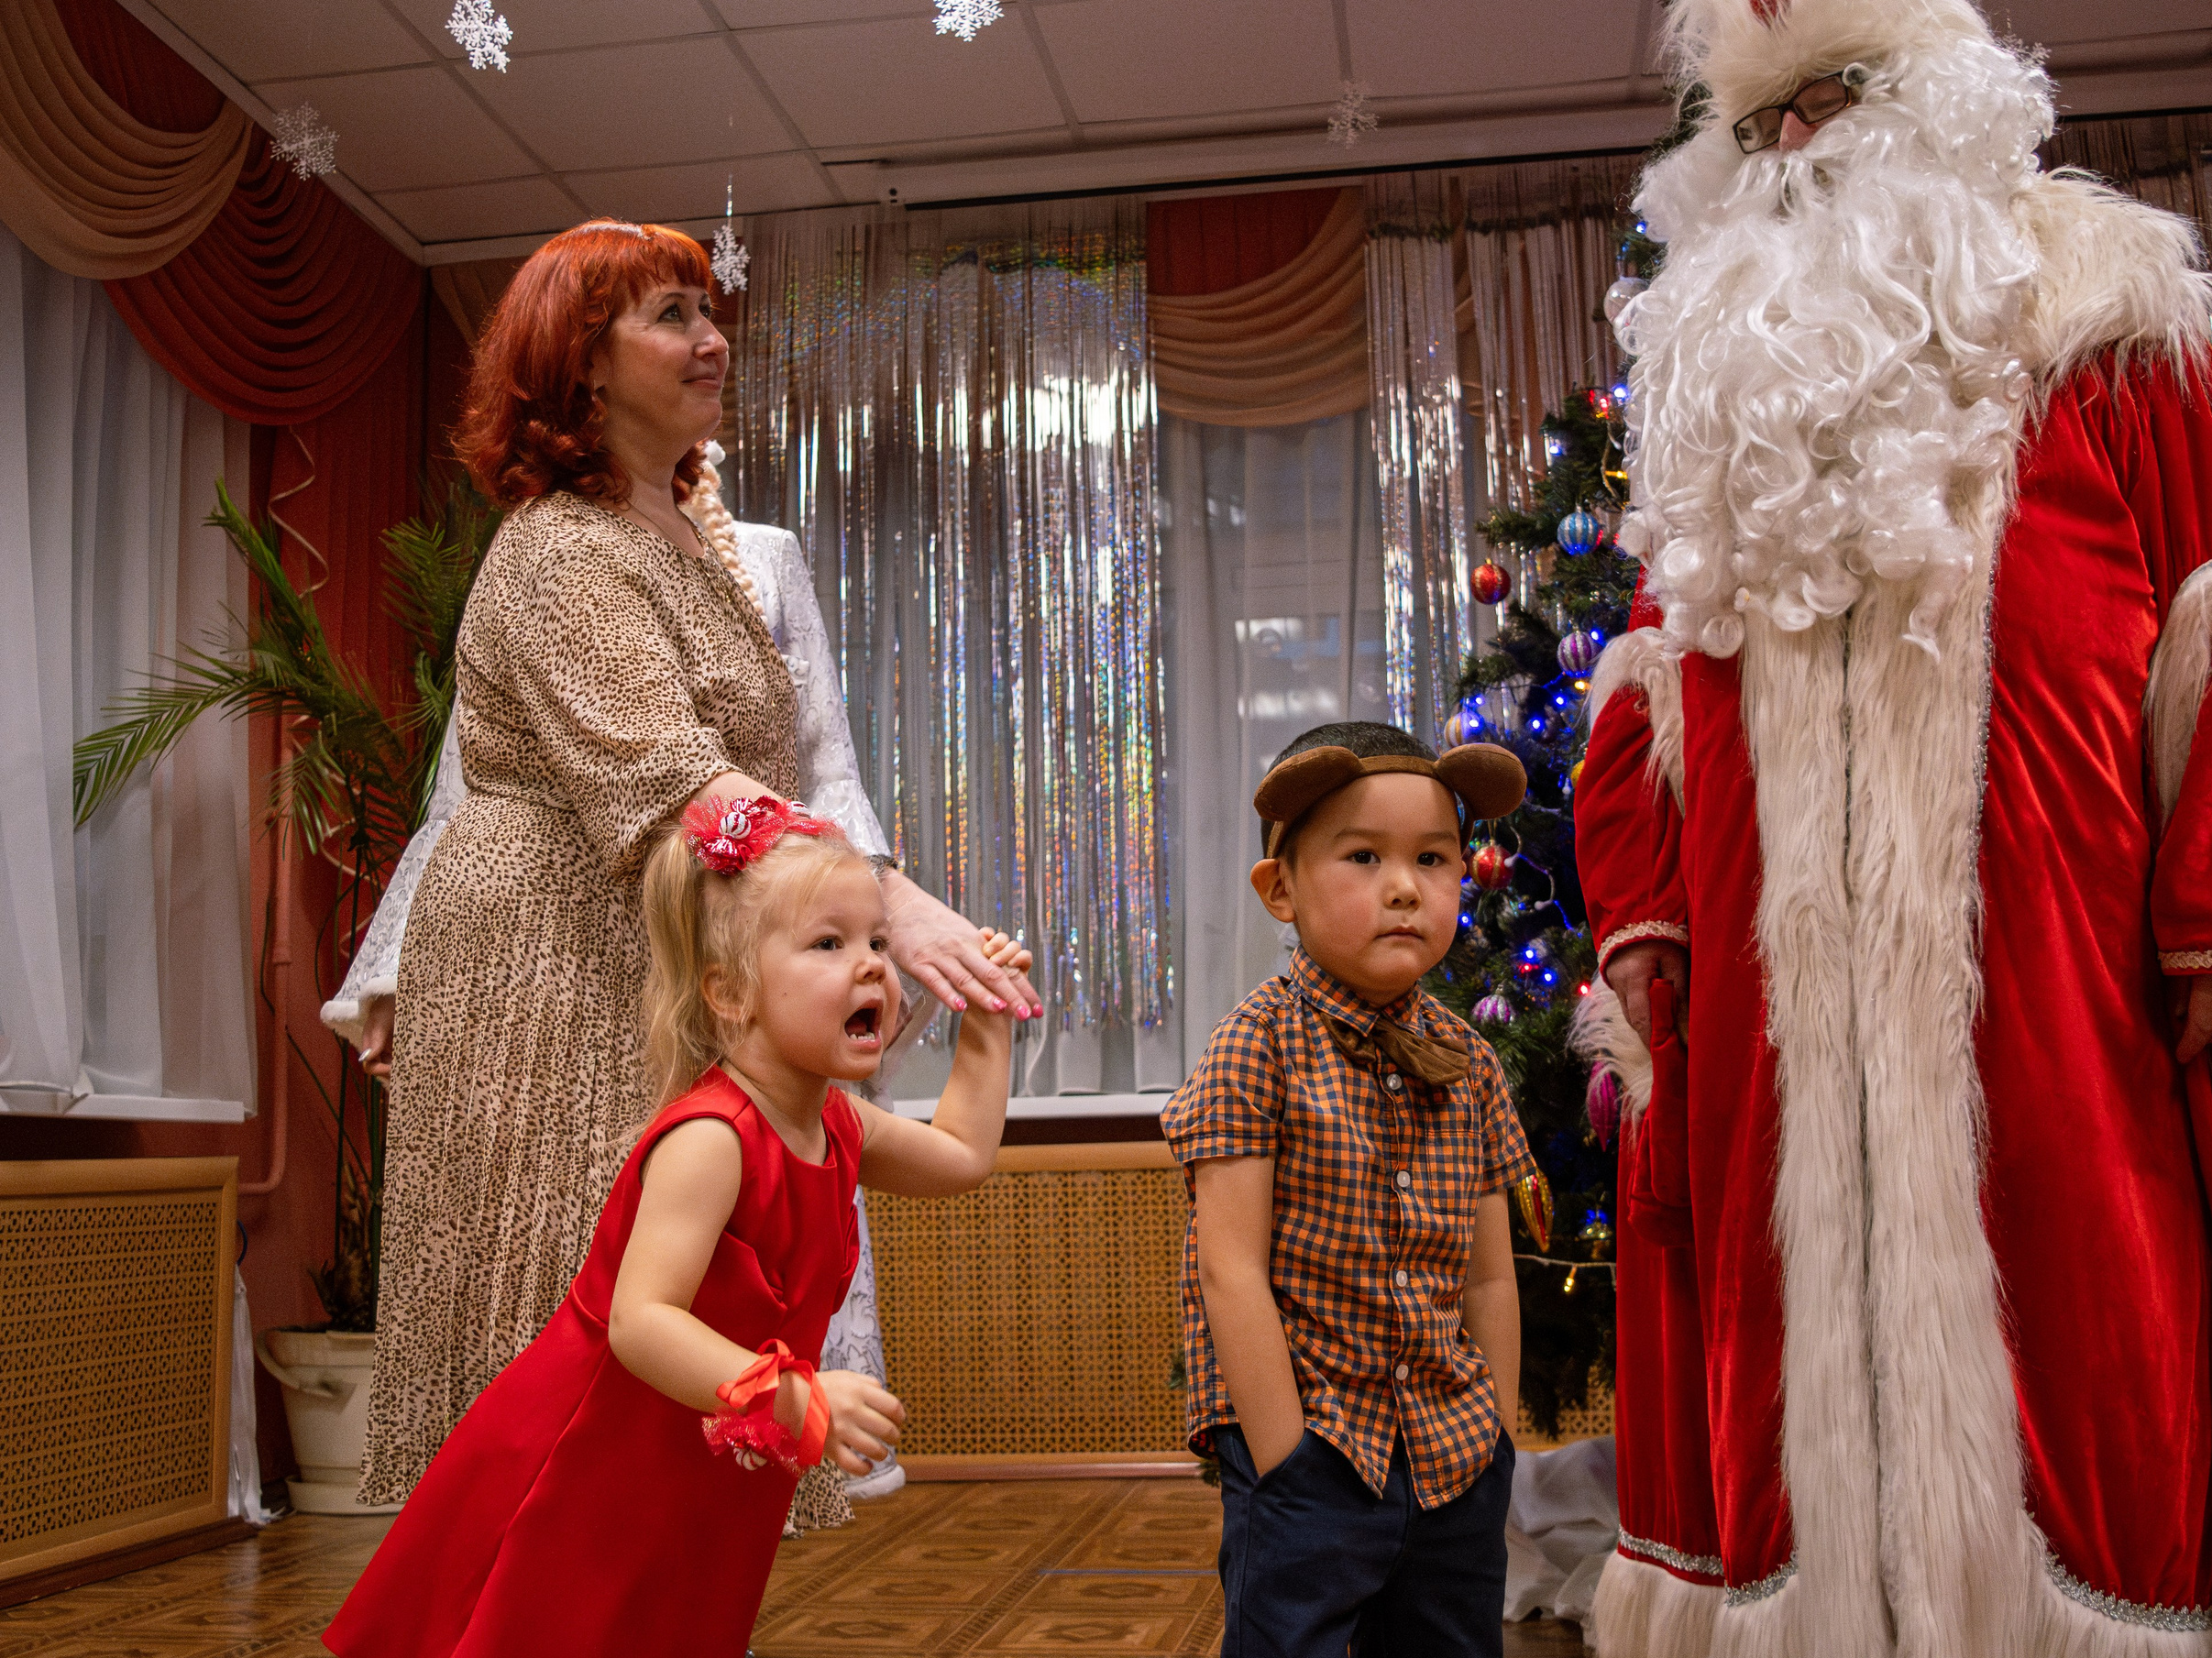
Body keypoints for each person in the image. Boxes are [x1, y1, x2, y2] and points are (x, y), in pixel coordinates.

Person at [1575, 0, 2212, 1654]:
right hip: (1776, 1008)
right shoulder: (1718, 403)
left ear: (1938, 104)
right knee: (1787, 1374)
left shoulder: (2109, 331)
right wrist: (1637, 920)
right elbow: (1641, 693)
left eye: (1833, 99)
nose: (1794, 148)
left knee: (2094, 1347)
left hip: (2062, 987)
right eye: (1759, 122)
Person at [350, 219, 1040, 1510]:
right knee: (582, 1321)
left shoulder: (683, 539)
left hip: (654, 954)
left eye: (709, 310)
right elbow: (689, 788)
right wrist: (886, 903)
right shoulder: (561, 547)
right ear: (585, 365)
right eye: (670, 315)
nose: (711, 336)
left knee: (672, 1318)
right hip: (546, 966)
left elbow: (761, 779)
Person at [324, 798, 1029, 1657]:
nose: (874, 967)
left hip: (695, 1465)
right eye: (829, 944)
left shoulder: (836, 1124)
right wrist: (799, 1399)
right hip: (589, 1465)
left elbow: (958, 1155)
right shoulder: (713, 1137)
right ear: (729, 994)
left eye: (878, 942)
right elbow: (640, 1320)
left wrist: (986, 1029)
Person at [1162, 721, 1537, 1658]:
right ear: (1279, 889)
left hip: (1453, 1455)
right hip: (1318, 1451)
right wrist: (1286, 1454)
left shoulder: (1470, 1060)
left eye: (1433, 858)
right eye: (1363, 857)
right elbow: (1231, 1273)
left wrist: (1493, 1438)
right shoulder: (1254, 1047)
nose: (1405, 886)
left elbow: (1490, 1279)